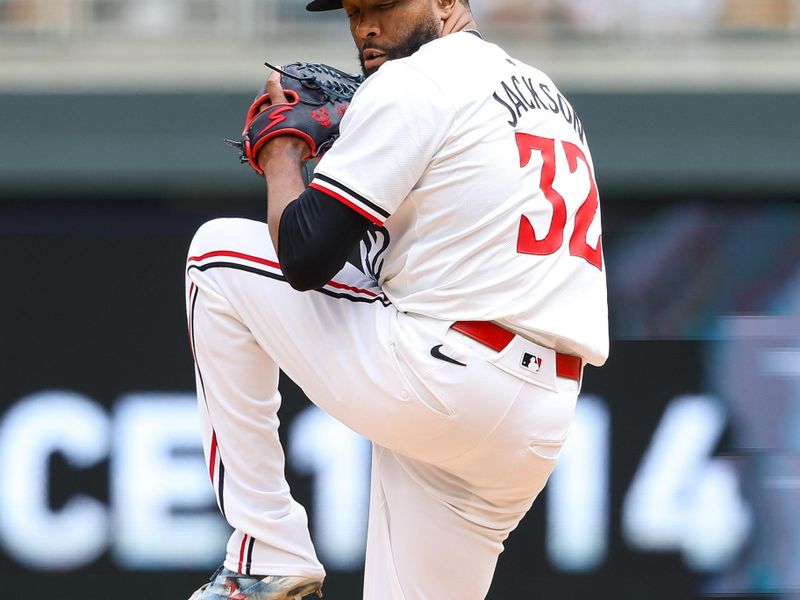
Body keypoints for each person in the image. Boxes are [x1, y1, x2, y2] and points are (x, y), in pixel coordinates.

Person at [185, 0, 608, 597]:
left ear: (444, 2)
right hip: (539, 416)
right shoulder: (542, 91)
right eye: (354, 11)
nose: (365, 28)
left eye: (382, 5)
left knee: (216, 255)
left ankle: (265, 548)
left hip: (446, 379)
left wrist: (282, 158)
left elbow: (304, 257)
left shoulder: (416, 80)